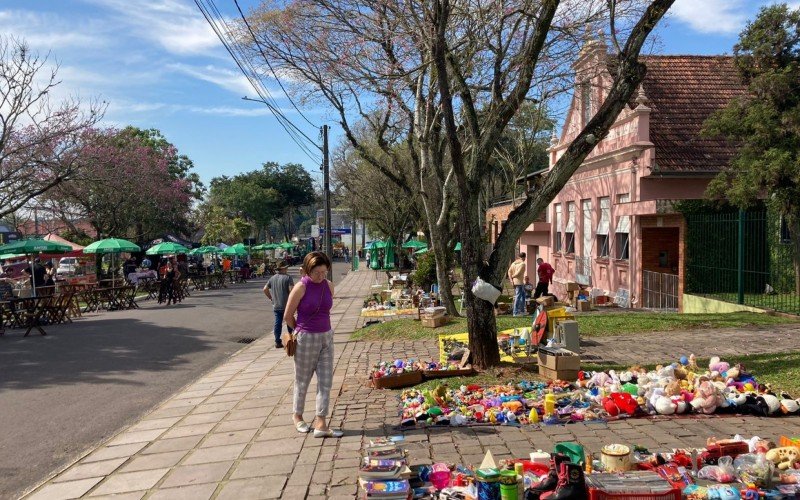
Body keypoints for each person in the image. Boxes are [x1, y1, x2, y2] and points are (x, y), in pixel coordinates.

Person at [283, 251, 342, 438]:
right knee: (303, 380)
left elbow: (326, 310)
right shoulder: (301, 287)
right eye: (317, 272)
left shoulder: (329, 286)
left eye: (324, 272)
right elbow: (287, 316)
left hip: (326, 337)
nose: (321, 276)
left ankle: (321, 422)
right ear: (308, 270)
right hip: (306, 338)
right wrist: (301, 330)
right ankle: (297, 416)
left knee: (326, 381)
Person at [264, 264, 294, 349]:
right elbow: (292, 290)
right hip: (287, 304)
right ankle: (291, 339)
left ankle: (277, 341)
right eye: (286, 267)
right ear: (284, 268)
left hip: (276, 304)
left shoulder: (272, 278)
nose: (287, 269)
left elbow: (265, 289)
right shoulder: (288, 278)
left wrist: (270, 297)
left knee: (278, 322)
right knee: (289, 320)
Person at [507, 252, 527, 316]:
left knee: (523, 296)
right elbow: (518, 273)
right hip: (519, 282)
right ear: (524, 257)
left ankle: (522, 311)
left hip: (515, 282)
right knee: (518, 297)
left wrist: (511, 280)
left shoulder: (513, 263)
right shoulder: (522, 264)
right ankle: (515, 312)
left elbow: (509, 271)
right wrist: (512, 277)